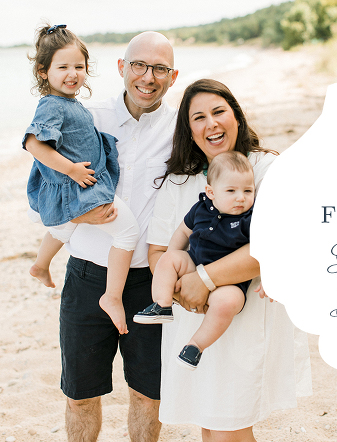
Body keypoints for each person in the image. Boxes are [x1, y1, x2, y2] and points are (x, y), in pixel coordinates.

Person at [147, 79, 311, 441]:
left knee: (228, 430)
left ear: (236, 115)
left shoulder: (265, 169)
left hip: (244, 314)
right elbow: (159, 250)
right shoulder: (179, 181)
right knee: (209, 427)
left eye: (219, 112)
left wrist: (202, 281)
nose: (212, 124)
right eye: (199, 118)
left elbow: (270, 247)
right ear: (189, 130)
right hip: (190, 319)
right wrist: (184, 287)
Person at [57, 31, 178, 442]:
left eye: (160, 68)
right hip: (87, 278)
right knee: (80, 396)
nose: (148, 76)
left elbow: (228, 157)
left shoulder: (183, 129)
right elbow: (48, 183)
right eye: (140, 65)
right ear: (122, 68)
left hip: (150, 283)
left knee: (148, 396)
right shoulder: (87, 116)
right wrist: (80, 213)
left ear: (173, 76)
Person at [24, 24, 138, 335]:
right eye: (62, 67)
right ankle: (112, 297)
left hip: (82, 183)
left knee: (62, 228)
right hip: (79, 186)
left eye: (79, 66)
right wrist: (72, 170)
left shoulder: (69, 103)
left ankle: (40, 264)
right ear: (43, 71)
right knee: (128, 232)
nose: (72, 73)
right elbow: (34, 144)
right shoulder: (51, 104)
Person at [135, 151, 257, 370]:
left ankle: (195, 347)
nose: (241, 197)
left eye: (248, 191)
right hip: (194, 262)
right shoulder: (201, 208)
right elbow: (182, 232)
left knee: (227, 302)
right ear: (211, 192)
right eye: (231, 191)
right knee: (168, 258)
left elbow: (265, 250)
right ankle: (162, 305)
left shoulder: (248, 219)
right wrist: (171, 261)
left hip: (230, 282)